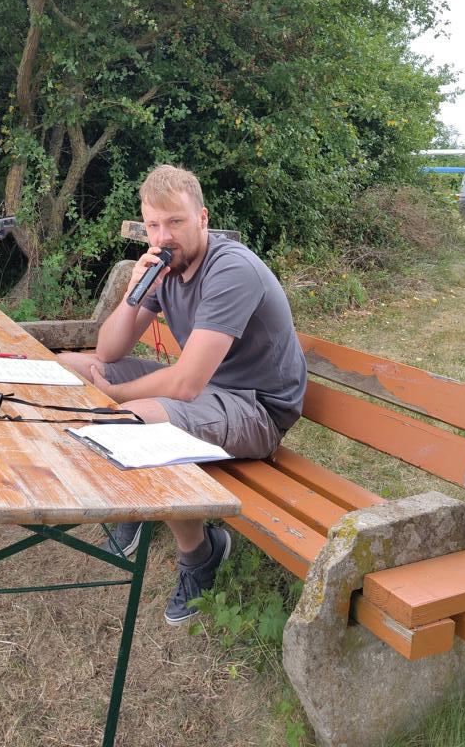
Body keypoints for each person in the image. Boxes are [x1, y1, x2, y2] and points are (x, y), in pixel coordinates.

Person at [59, 164, 307, 624]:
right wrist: (134, 292)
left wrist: (117, 393)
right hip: (208, 391)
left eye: (175, 221)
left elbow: (185, 383)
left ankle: (201, 553)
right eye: (153, 225)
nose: (163, 236)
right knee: (72, 367)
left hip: (256, 409)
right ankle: (135, 501)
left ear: (202, 218)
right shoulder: (166, 266)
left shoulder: (231, 269)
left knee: (135, 420)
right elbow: (108, 350)